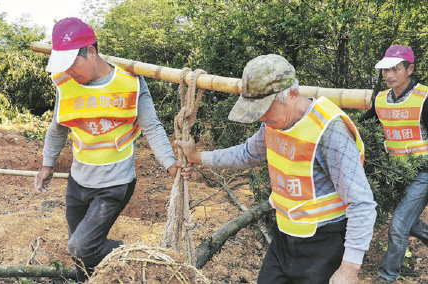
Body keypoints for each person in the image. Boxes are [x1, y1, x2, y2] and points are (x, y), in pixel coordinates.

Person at [176, 54, 377, 284]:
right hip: (283, 236)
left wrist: (350, 267)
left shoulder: (330, 132)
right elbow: (247, 153)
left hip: (324, 244)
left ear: (291, 95)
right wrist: (198, 157)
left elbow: (361, 202)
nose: (261, 117)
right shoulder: (272, 124)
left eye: (266, 109)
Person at [33, 17, 192, 283]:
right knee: (80, 254)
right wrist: (47, 165)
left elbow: (151, 126)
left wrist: (169, 162)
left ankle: (143, 257)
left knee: (81, 247)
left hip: (114, 184)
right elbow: (58, 127)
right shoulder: (65, 83)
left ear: (91, 53)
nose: (69, 71)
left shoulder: (130, 82)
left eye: (73, 63)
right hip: (78, 180)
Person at [359, 45, 428, 284]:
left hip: (422, 173)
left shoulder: (424, 98)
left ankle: (388, 277)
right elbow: (363, 128)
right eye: (385, 69)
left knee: (398, 225)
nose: (388, 74)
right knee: (409, 223)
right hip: (394, 172)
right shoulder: (380, 100)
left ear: (410, 69)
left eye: (395, 69)